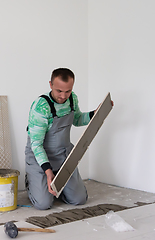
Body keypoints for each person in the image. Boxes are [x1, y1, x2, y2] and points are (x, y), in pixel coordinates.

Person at [25, 68, 105, 210]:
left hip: (63, 156)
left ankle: (59, 188)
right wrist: (48, 172)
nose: (63, 96)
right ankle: (32, 182)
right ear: (50, 85)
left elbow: (78, 119)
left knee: (79, 199)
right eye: (59, 91)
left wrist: (95, 113)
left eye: (67, 91)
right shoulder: (41, 107)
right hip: (41, 158)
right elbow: (36, 144)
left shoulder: (72, 99)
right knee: (43, 204)